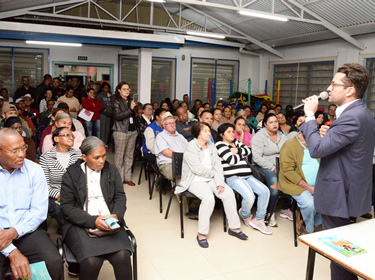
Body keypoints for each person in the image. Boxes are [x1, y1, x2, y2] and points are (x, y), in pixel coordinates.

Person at [301, 63, 375, 280]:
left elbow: (316, 150)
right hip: (350, 190)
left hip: (339, 194)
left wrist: (309, 116)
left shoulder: (352, 116)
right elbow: (346, 148)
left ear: (350, 89)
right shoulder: (360, 112)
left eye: (334, 84)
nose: (329, 88)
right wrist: (327, 133)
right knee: (346, 254)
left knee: (339, 257)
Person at [60, 137, 132, 280]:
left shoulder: (111, 170)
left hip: (110, 219)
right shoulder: (71, 174)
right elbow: (67, 207)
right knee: (92, 261)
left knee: (122, 255)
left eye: (104, 156)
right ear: (84, 157)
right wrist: (93, 221)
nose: (101, 160)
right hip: (80, 222)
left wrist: (116, 216)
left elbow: (120, 196)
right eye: (96, 157)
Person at [0, 128, 63, 280]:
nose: (22, 154)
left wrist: (15, 232)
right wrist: (12, 252)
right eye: (14, 151)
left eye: (23, 148)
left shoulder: (35, 170)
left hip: (27, 231)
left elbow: (39, 212)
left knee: (53, 262)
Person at [175, 122, 247, 248]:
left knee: (228, 193)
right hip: (194, 179)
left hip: (212, 178)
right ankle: (201, 234)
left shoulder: (212, 146)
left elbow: (218, 165)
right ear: (198, 134)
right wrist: (214, 174)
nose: (209, 133)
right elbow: (197, 169)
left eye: (209, 131)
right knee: (208, 198)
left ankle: (234, 228)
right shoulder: (191, 146)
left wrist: (219, 182)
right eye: (205, 131)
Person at [216, 123, 271, 235]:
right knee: (250, 196)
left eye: (232, 131)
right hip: (233, 177)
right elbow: (230, 161)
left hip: (248, 175)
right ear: (222, 135)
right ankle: (245, 215)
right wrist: (241, 153)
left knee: (265, 191)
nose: (232, 134)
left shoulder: (236, 142)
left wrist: (236, 151)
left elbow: (248, 150)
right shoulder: (219, 145)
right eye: (228, 132)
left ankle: (259, 220)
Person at [278, 130, 322, 235]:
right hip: (295, 183)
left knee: (333, 199)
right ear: (299, 134)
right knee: (310, 204)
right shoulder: (289, 145)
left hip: (319, 182)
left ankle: (304, 218)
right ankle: (309, 228)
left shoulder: (315, 144)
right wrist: (309, 187)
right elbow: (288, 171)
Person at [251, 113, 291, 227]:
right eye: (271, 122)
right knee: (275, 184)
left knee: (299, 177)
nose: (274, 124)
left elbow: (288, 151)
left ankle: (285, 208)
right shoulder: (259, 136)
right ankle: (270, 212)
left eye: (276, 122)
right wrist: (272, 167)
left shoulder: (282, 135)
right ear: (265, 125)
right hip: (262, 166)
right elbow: (257, 158)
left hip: (281, 166)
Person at [40, 127, 82, 226]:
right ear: (56, 139)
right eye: (67, 135)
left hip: (76, 194)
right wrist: (58, 194)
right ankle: (68, 232)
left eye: (72, 136)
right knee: (63, 212)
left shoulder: (78, 155)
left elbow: (83, 179)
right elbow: (44, 184)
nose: (71, 138)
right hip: (55, 195)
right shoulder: (46, 157)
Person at [112, 82, 137, 186]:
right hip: (120, 131)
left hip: (132, 130)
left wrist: (133, 109)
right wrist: (130, 109)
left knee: (129, 155)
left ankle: (127, 178)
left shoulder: (131, 101)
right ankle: (119, 179)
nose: (127, 91)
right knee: (119, 157)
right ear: (119, 90)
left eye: (128, 89)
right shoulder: (116, 101)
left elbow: (133, 115)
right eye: (124, 89)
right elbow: (117, 116)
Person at [155, 113, 188, 180]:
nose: (172, 125)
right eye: (169, 123)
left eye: (173, 123)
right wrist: (185, 157)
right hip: (168, 163)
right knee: (179, 176)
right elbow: (167, 153)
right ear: (164, 125)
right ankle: (178, 189)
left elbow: (189, 148)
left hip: (183, 161)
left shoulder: (180, 136)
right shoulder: (160, 136)